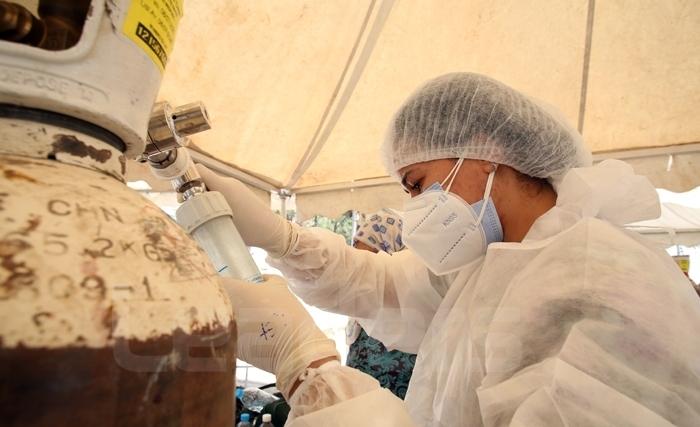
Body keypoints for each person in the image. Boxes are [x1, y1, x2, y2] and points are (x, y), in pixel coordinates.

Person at [206, 72, 700, 426]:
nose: (415, 207)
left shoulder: (594, 276)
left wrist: (311, 370)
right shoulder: (496, 264)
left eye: (418, 184)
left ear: (486, 152)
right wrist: (280, 237)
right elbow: (383, 285)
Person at [346, 210, 416, 400]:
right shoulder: (359, 311)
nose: (362, 269)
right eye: (357, 258)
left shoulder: (418, 314)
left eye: (373, 257)